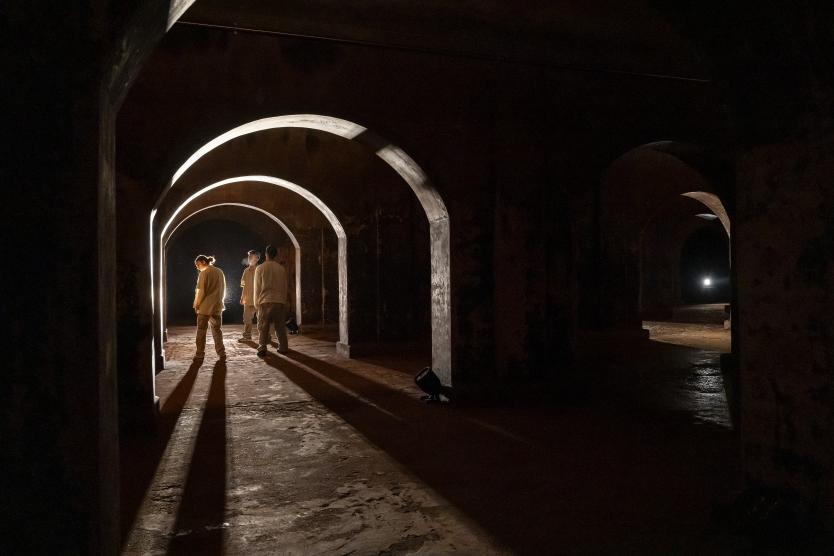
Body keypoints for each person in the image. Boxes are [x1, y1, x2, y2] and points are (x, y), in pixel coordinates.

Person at [253, 244, 289, 357]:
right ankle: (283, 347)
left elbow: (257, 288)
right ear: (276, 255)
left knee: (263, 327)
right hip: (279, 301)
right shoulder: (281, 268)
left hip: (265, 301)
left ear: (266, 254)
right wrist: (284, 301)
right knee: (280, 327)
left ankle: (262, 347)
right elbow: (285, 286)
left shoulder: (260, 268)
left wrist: (256, 304)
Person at [192, 254, 227, 362]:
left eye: (197, 264)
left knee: (201, 331)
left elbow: (200, 291)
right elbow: (224, 289)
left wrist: (196, 304)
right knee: (217, 331)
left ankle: (200, 354)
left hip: (205, 307)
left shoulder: (204, 273)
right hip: (217, 306)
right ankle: (222, 353)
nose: (197, 267)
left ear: (203, 262)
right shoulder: (219, 271)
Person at [238, 249, 260, 342]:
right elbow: (243, 285)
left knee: (262, 320)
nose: (249, 258)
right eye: (249, 256)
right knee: (246, 319)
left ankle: (266, 337)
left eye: (252, 256)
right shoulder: (245, 271)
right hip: (247, 299)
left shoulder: (261, 269)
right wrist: (242, 297)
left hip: (259, 299)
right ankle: (247, 336)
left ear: (257, 258)